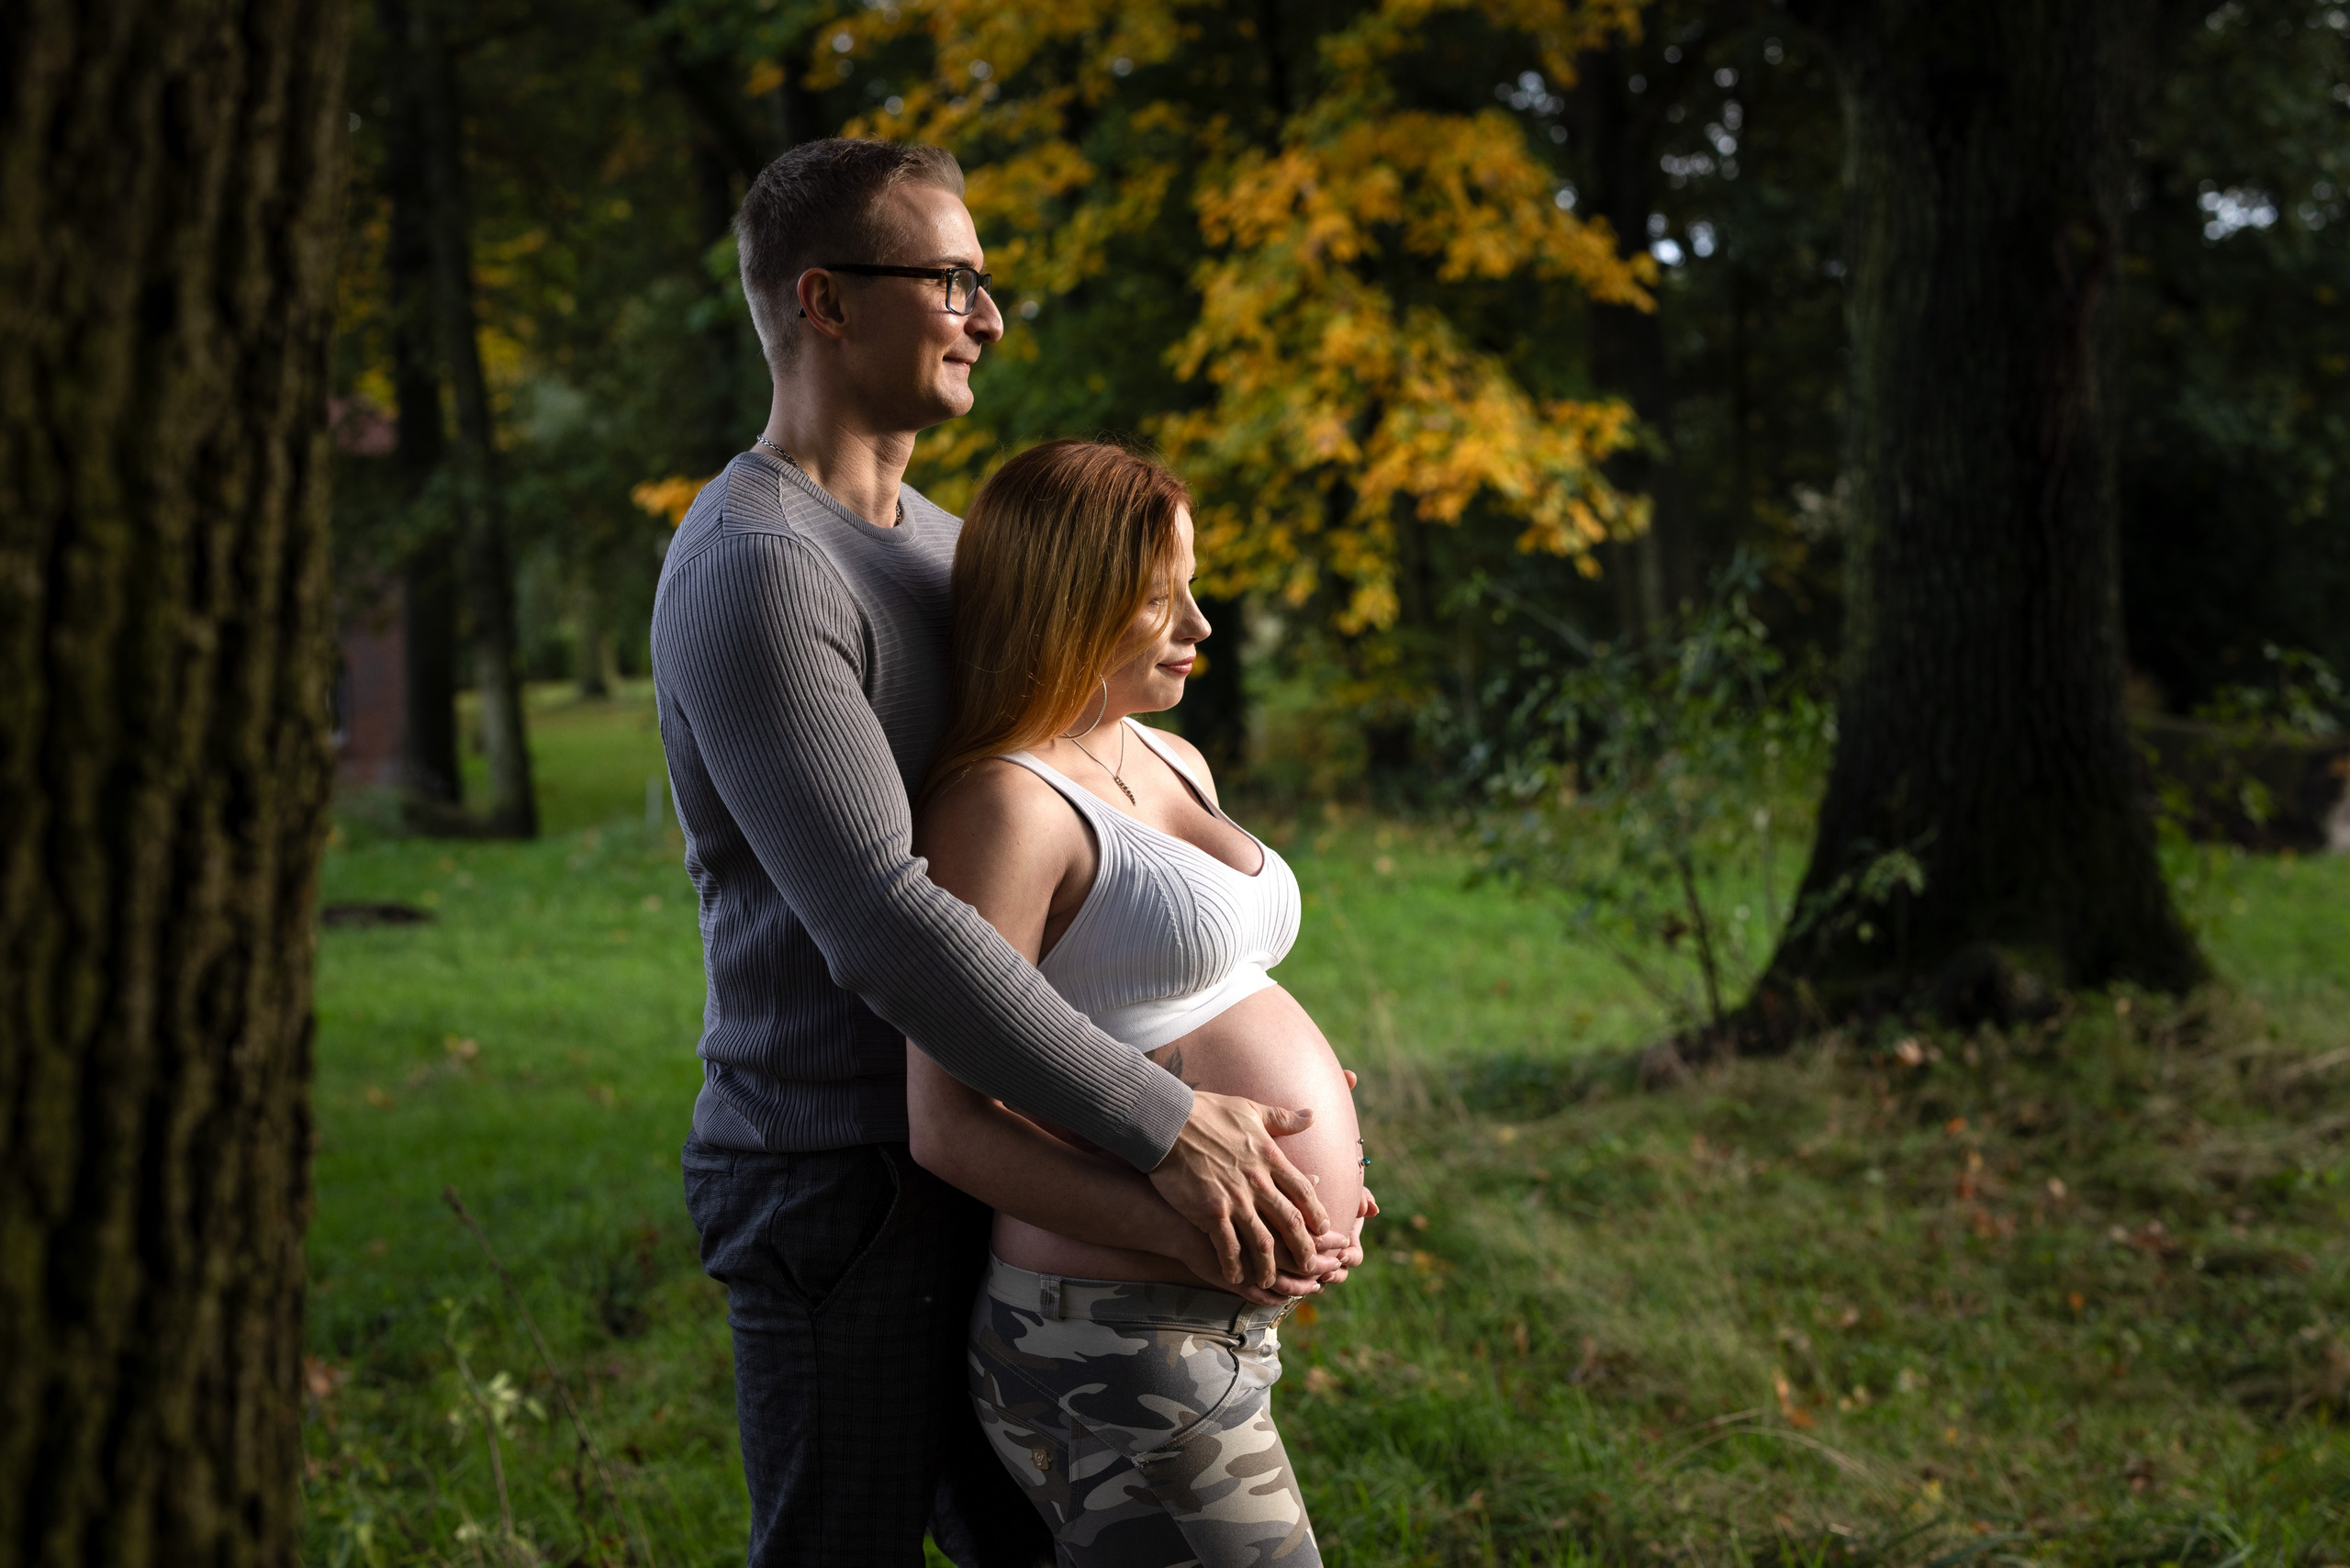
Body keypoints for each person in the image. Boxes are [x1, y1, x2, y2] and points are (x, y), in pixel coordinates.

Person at [650, 139, 1352, 1567]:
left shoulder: (943, 547)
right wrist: (1170, 1126)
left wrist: (1252, 1113)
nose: (990, 316)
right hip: (841, 1172)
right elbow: (887, 920)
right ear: (826, 300)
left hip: (1010, 1143)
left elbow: (1082, 816)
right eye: (952, 280)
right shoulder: (759, 566)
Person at [905, 441, 1377, 1567]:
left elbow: (1196, 991)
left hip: (1201, 1325)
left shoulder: (1174, 757)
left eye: (1191, 587)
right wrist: (1218, 1228)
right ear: (1067, 599)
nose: (1199, 623)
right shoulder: (1002, 806)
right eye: (1160, 597)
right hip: (1108, 1335)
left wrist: (1302, 1164)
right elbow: (947, 1123)